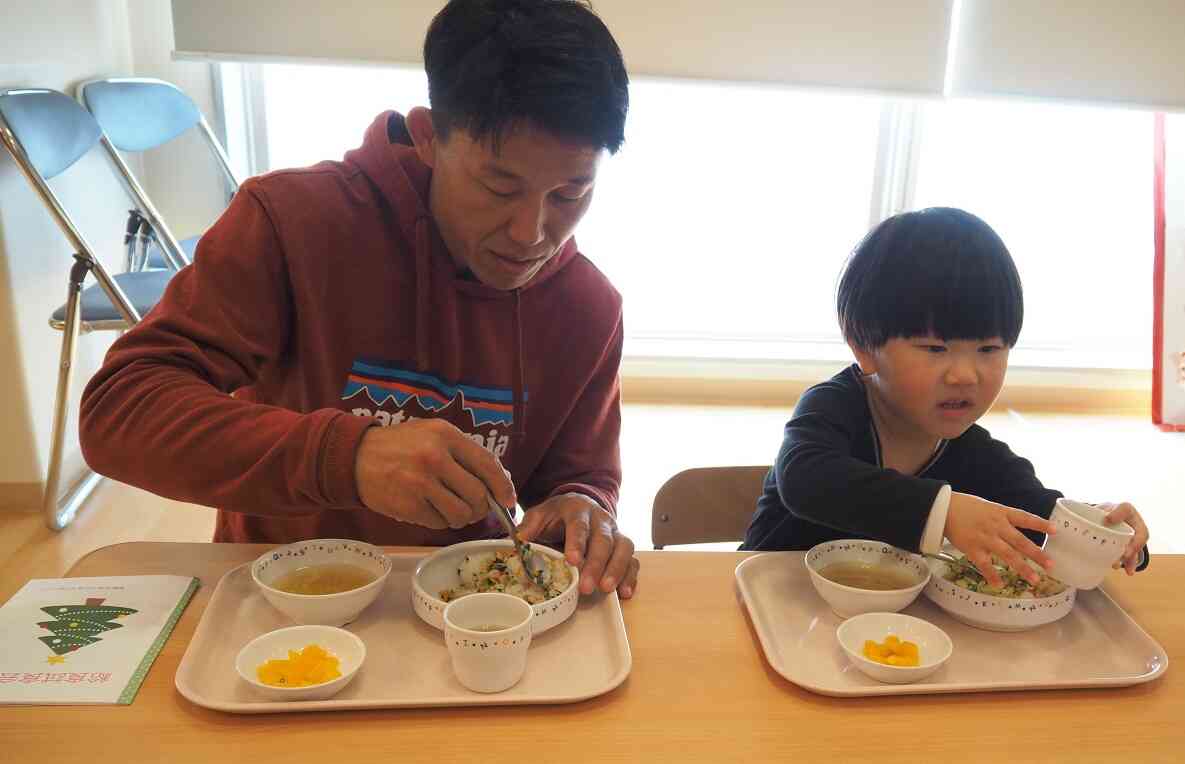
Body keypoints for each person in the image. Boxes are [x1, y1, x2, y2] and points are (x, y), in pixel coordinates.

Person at [80, 0, 639, 599]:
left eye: (570, 194)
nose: (531, 233)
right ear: (428, 137)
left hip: (474, 614)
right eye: (499, 186)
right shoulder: (295, 224)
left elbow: (578, 477)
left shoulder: (587, 306)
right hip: (280, 600)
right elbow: (119, 411)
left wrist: (583, 507)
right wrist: (349, 458)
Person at [740, 207, 1149, 588]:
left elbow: (1042, 524)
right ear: (864, 347)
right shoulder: (833, 407)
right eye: (935, 349)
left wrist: (1110, 533)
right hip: (770, 599)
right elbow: (806, 479)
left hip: (888, 638)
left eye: (989, 349)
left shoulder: (978, 455)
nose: (964, 375)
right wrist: (944, 512)